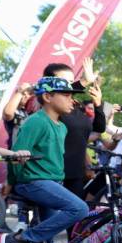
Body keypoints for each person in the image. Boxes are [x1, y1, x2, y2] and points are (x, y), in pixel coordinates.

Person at [0, 77, 90, 243]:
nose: (72, 101)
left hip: (50, 182)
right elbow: (15, 155)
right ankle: (22, 238)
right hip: (33, 182)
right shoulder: (36, 121)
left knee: (46, 234)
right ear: (48, 97)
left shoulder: (61, 126)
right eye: (66, 95)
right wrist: (12, 182)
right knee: (79, 209)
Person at [42, 60, 106, 200]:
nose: (69, 86)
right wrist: (84, 81)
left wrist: (98, 103)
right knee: (52, 219)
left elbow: (99, 128)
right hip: (53, 173)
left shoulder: (75, 106)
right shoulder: (49, 106)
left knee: (74, 218)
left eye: (71, 81)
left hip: (76, 173)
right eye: (64, 81)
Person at [1, 82, 34, 148]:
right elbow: (8, 113)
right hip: (16, 153)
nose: (26, 95)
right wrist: (20, 92)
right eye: (24, 93)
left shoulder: (35, 112)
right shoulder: (14, 110)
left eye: (30, 93)